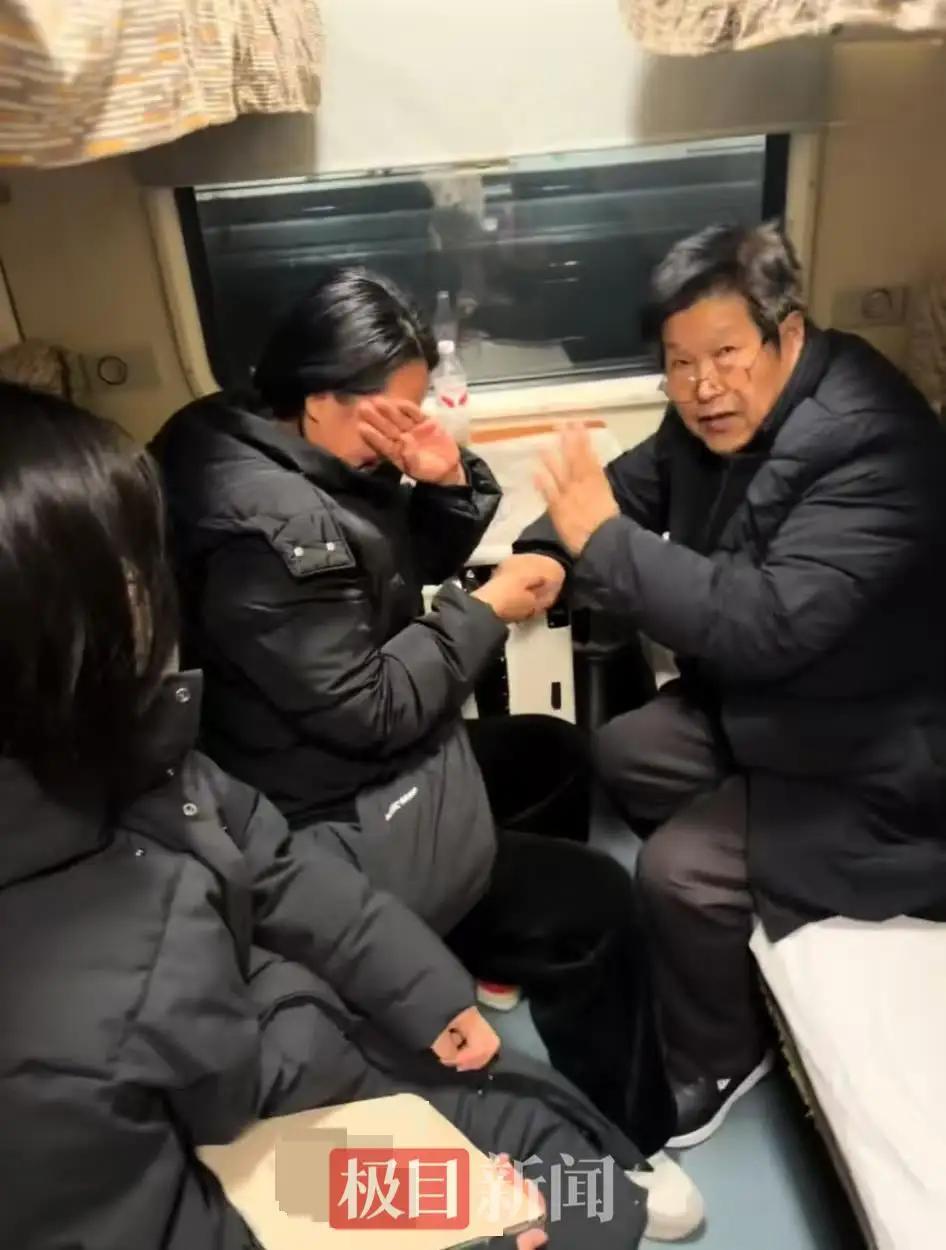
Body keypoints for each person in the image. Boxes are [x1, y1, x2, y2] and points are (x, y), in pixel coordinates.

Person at [0, 381, 672, 1250]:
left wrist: (424, 992)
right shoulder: (46, 1044)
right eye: (127, 575)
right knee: (586, 1209)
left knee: (587, 1181)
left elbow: (277, 867)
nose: (154, 595)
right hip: (274, 1153)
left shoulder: (133, 757)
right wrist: (461, 1229)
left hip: (298, 1050)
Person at [152, 269, 704, 1240]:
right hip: (326, 811)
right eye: (393, 413)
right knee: (596, 907)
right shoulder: (270, 527)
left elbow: (385, 572)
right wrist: (486, 608)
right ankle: (628, 1141)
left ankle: (476, 948)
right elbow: (371, 708)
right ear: (320, 395)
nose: (404, 430)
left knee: (550, 752)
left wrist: (445, 480)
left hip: (326, 763)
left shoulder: (248, 436)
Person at [510, 222, 946, 1148]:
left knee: (679, 871)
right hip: (785, 710)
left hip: (879, 745)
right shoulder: (718, 412)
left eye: (725, 355)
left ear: (787, 333)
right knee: (622, 750)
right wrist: (548, 551)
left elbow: (768, 624)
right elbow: (631, 487)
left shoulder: (875, 446)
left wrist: (603, 544)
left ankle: (718, 1055)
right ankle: (716, 922)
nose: (703, 386)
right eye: (679, 364)